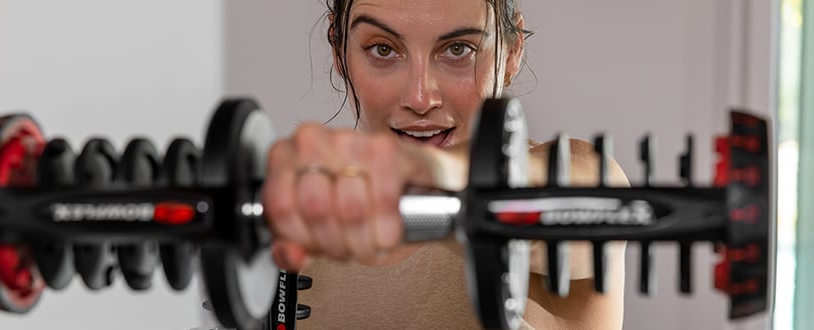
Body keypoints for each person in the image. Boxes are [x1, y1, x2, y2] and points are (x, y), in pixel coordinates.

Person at [262, 0, 628, 328]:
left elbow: (600, 211)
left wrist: (433, 174)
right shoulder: (295, 226)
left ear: (513, 51)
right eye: (383, 49)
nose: (420, 97)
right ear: (339, 51)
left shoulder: (572, 177)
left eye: (458, 49)